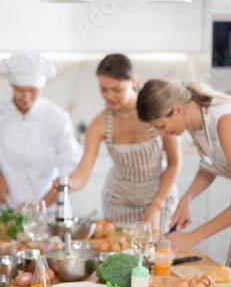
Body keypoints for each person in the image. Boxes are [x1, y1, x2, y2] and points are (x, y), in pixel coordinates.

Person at [67, 54, 181, 232]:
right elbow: (83, 170)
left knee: (158, 255)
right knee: (120, 256)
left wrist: (156, 205)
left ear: (133, 81)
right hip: (118, 204)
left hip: (158, 199)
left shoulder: (157, 110)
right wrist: (68, 184)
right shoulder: (100, 123)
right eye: (103, 90)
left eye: (116, 90)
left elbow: (175, 162)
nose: (109, 96)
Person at [137, 79, 231, 270]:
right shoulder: (194, 120)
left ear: (177, 110)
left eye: (161, 125)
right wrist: (187, 198)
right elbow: (211, 165)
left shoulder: (225, 121)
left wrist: (193, 236)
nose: (160, 134)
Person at [0, 52, 82, 213]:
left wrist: (40, 206)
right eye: (19, 90)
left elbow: (69, 166)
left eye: (33, 91)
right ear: (11, 87)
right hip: (8, 208)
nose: (26, 97)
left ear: (42, 88)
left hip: (50, 211)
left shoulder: (57, 117)